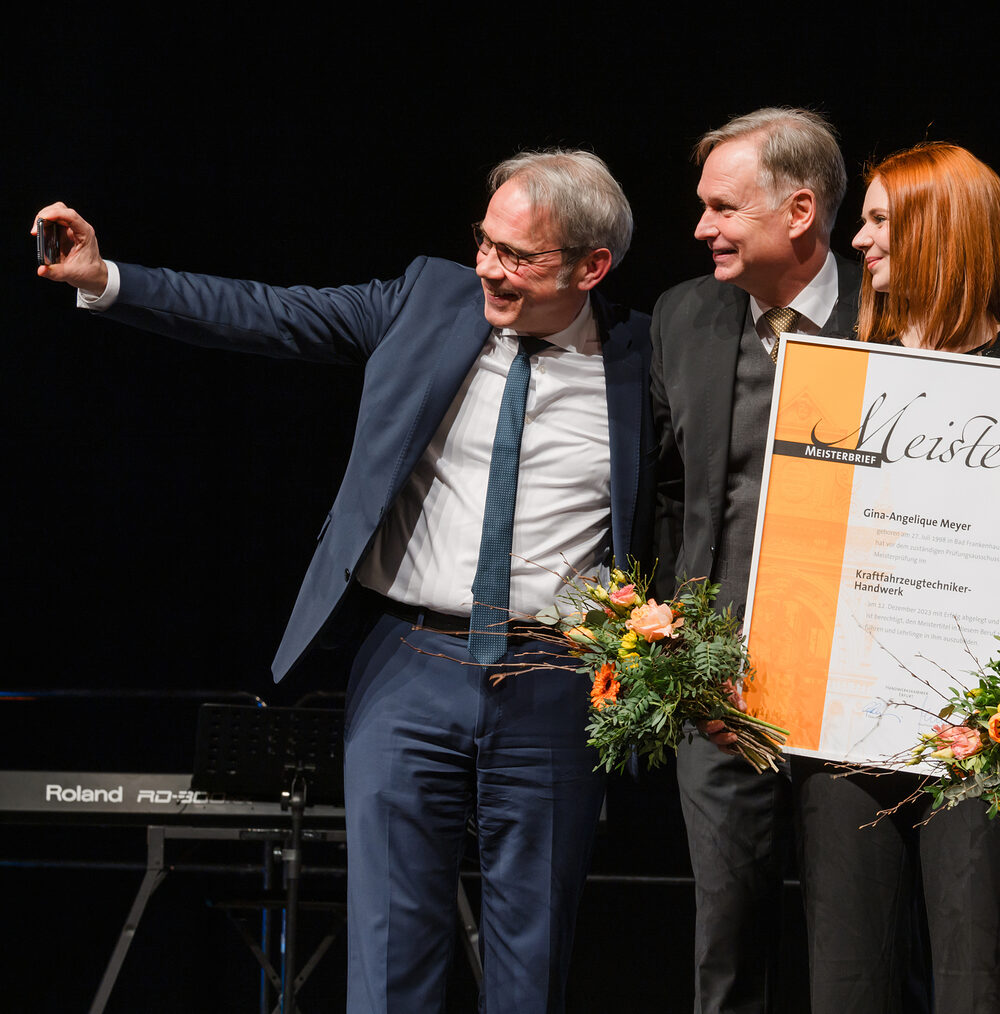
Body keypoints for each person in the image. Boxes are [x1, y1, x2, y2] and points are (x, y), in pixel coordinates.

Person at [32, 149, 653, 1014]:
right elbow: (269, 315)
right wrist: (110, 280)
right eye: (485, 242)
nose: (487, 267)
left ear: (593, 267)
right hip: (409, 666)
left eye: (518, 257)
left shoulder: (643, 360)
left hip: (557, 682)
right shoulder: (427, 300)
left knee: (533, 959)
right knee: (391, 952)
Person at [788, 142, 1000, 1013]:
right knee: (845, 985)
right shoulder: (837, 370)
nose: (858, 241)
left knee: (978, 981)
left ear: (942, 232)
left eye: (881, 220)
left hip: (976, 735)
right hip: (848, 724)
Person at [649, 107, 859, 1014]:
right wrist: (675, 638)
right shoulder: (684, 315)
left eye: (725, 209)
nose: (703, 229)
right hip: (721, 696)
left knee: (858, 954)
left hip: (859, 696)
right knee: (726, 949)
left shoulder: (891, 315)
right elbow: (662, 492)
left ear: (800, 211)